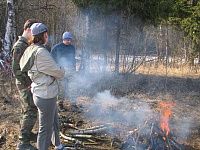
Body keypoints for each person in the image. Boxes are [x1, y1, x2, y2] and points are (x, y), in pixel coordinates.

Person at [20, 23, 66, 150]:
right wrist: (61, 67)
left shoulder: (31, 48)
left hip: (42, 91)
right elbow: (59, 72)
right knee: (45, 129)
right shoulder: (41, 52)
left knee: (54, 120)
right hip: (45, 94)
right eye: (46, 33)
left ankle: (58, 145)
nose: (47, 35)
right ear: (43, 34)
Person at [11, 19, 38, 150]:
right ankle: (23, 143)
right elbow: (16, 70)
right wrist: (29, 84)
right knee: (30, 110)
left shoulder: (25, 44)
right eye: (33, 32)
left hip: (26, 82)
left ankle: (27, 134)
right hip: (24, 83)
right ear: (28, 30)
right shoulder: (19, 46)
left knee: (25, 109)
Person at [51, 31, 79, 112]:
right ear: (63, 39)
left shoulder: (72, 47)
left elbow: (73, 59)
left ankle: (73, 105)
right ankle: (60, 104)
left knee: (73, 87)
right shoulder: (57, 47)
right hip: (61, 70)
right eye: (67, 40)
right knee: (61, 88)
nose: (69, 41)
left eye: (70, 40)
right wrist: (55, 68)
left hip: (71, 70)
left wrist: (74, 67)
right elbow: (51, 58)